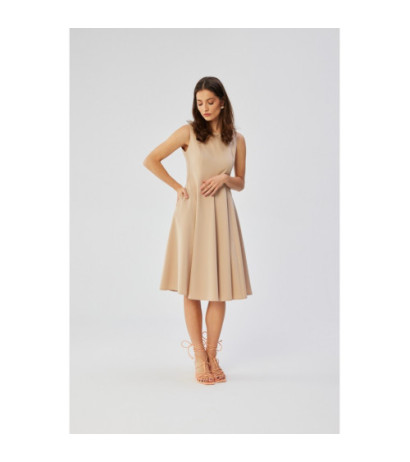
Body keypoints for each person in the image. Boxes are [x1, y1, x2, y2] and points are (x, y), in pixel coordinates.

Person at [143, 76, 252, 385]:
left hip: (221, 215)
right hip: (192, 213)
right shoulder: (188, 132)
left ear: (223, 103)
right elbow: (151, 160)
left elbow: (241, 182)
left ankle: (213, 355)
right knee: (191, 286)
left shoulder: (237, 139)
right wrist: (177, 187)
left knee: (219, 288)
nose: (204, 108)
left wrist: (225, 179)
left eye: (210, 102)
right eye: (200, 102)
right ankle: (199, 357)